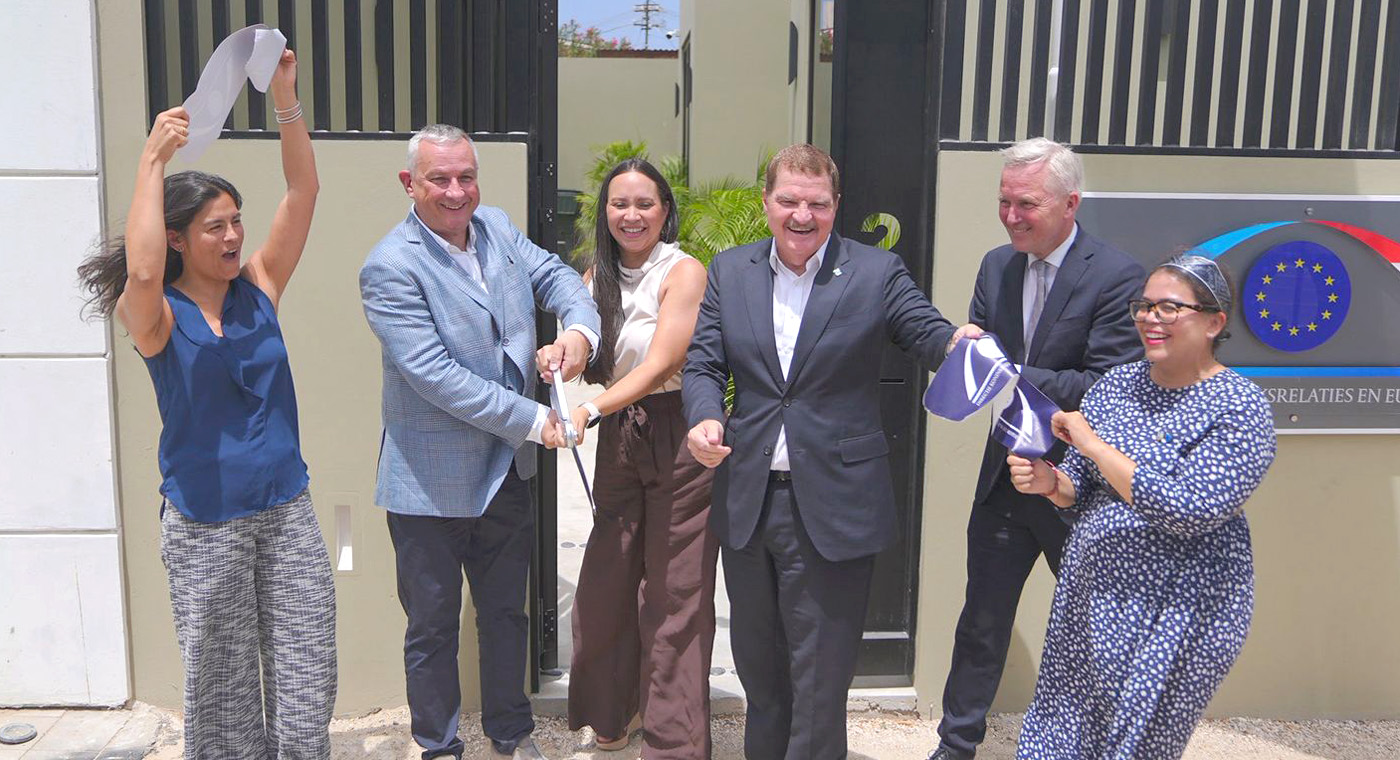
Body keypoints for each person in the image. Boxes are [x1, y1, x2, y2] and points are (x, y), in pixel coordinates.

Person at [76, 51, 335, 759]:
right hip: (204, 523)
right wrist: (151, 161)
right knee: (222, 699)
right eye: (215, 226)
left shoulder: (260, 285)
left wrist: (285, 97)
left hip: (286, 511)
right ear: (178, 238)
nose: (233, 236)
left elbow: (304, 191)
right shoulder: (154, 315)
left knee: (307, 678)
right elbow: (140, 270)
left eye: (236, 222)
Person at [683, 143, 959, 758]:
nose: (802, 216)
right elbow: (703, 362)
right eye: (789, 201)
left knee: (819, 683)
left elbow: (925, 330)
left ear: (836, 205)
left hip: (834, 506)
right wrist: (704, 416)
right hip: (750, 502)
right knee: (760, 673)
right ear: (766, 202)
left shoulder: (877, 272)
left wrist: (956, 344)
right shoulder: (730, 270)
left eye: (817, 203)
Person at [359, 123, 600, 760]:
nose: (456, 191)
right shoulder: (389, 266)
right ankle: (438, 745)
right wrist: (535, 420)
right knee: (433, 627)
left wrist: (577, 334)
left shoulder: (495, 226)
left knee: (506, 616)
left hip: (506, 474)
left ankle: (511, 735)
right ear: (409, 183)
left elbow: (559, 278)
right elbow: (436, 376)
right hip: (428, 483)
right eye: (439, 178)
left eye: (466, 176)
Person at [1006, 254, 1276, 758]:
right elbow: (1081, 487)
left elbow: (1190, 510)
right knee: (1060, 734)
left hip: (1177, 611)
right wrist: (1049, 482)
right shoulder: (1116, 386)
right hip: (1091, 597)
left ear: (1214, 322)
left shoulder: (1239, 406)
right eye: (1145, 306)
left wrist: (1094, 447)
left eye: (1169, 307)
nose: (1151, 318)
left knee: (1133, 746)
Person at [929, 138, 1145, 760]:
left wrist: (1011, 371)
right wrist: (966, 352)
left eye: (1026, 204)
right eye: (1004, 201)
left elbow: (1106, 383)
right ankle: (955, 745)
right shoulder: (996, 266)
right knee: (981, 621)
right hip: (1004, 476)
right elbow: (981, 367)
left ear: (1070, 203)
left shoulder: (1117, 276)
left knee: (1094, 625)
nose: (1011, 216)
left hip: (1077, 486)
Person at [546, 158, 715, 756]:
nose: (632, 215)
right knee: (606, 582)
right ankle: (613, 711)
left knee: (674, 594)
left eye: (645, 203)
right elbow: (586, 347)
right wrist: (560, 355)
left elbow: (663, 361)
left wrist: (591, 410)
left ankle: (673, 744)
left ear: (665, 211)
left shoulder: (684, 271)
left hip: (678, 431)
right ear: (605, 212)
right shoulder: (596, 276)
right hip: (622, 432)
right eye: (620, 203)